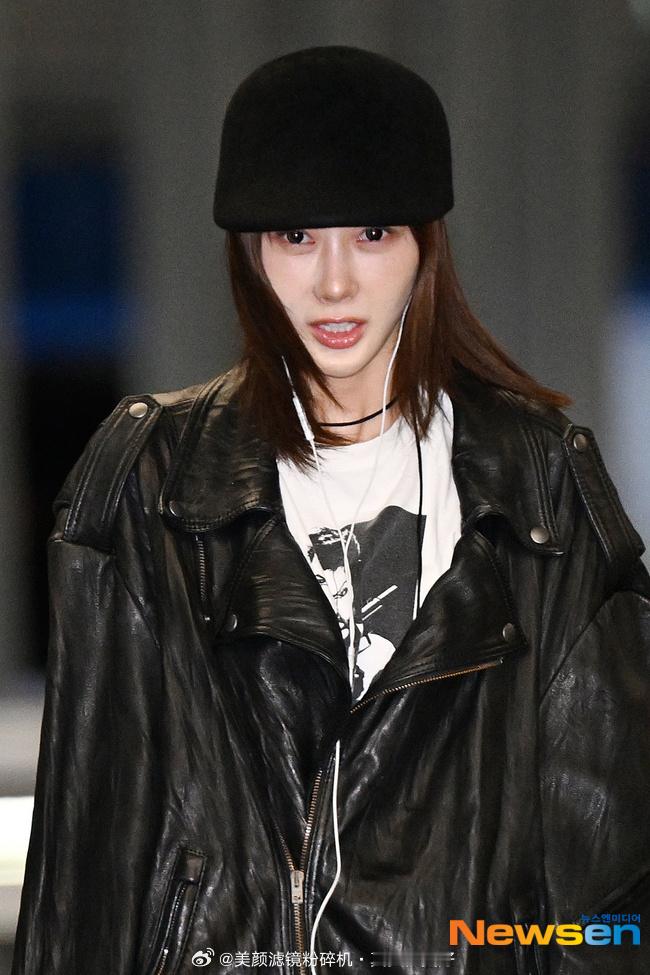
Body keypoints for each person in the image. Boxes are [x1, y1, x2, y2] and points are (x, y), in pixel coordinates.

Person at [11, 45, 650, 975]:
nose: (335, 282)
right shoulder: (155, 478)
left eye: (374, 233)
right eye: (297, 237)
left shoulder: (539, 486)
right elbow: (88, 851)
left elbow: (612, 888)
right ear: (250, 250)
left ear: (427, 242)